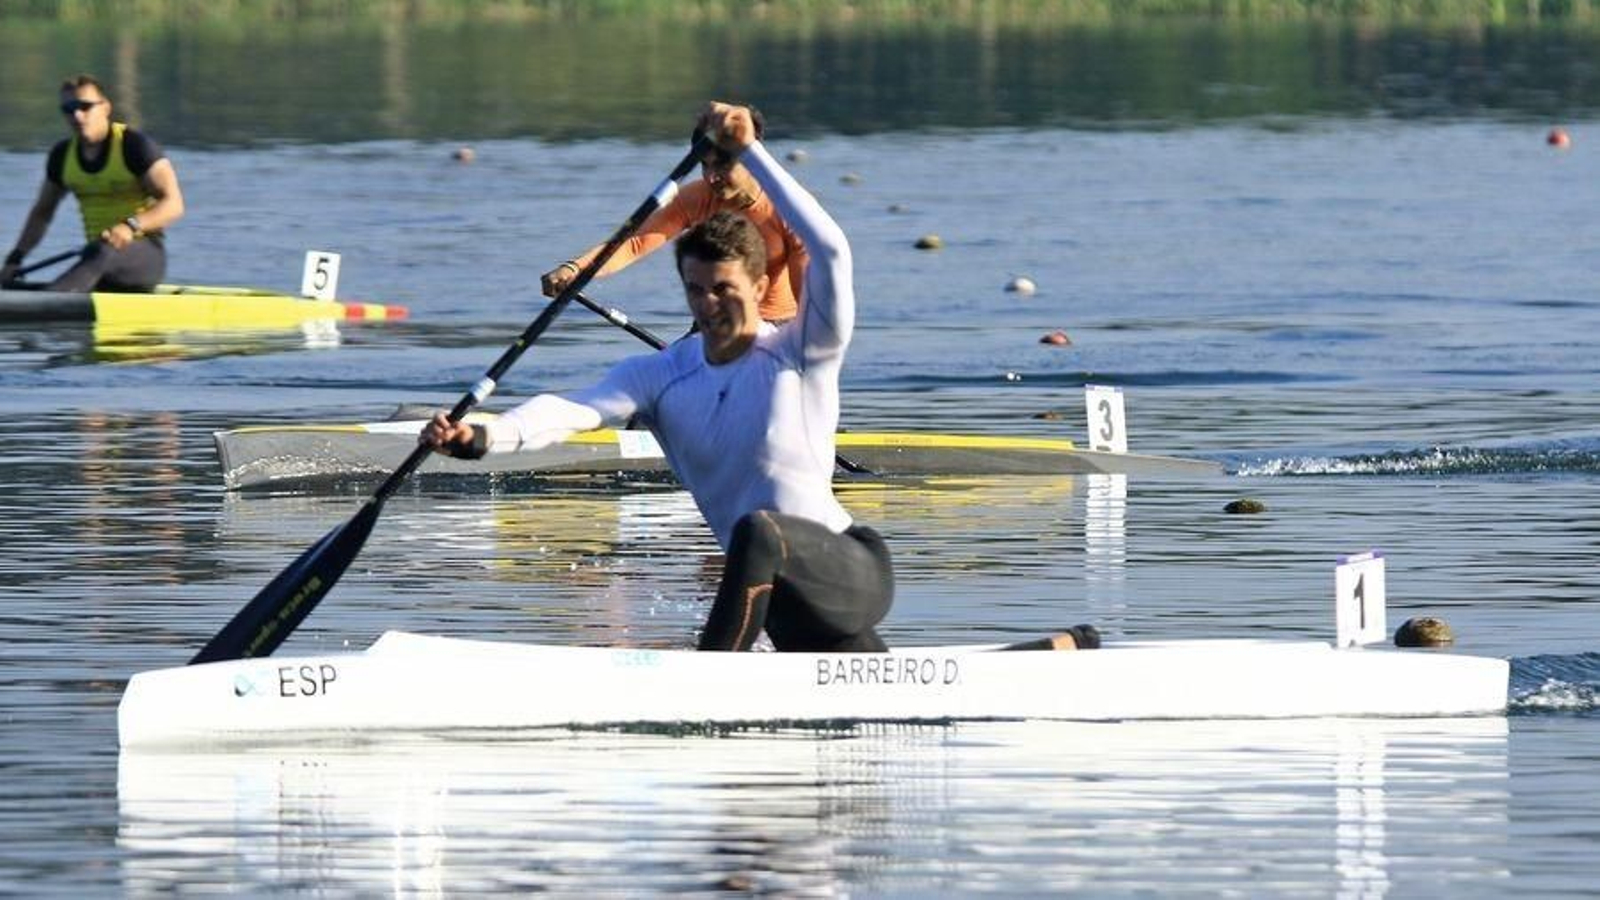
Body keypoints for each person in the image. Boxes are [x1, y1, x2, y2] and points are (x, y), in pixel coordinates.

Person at [425, 102, 892, 652]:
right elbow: (572, 409)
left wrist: (750, 151)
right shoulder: (659, 376)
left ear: (757, 283)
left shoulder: (802, 352)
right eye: (697, 290)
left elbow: (832, 251)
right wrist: (482, 436)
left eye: (725, 290)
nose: (710, 304)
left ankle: (707, 689)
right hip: (789, 612)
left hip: (851, 568)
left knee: (757, 531)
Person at [539, 105, 807, 325]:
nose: (711, 177)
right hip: (712, 323)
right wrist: (574, 269)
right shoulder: (697, 197)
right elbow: (634, 244)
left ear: (751, 160)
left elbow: (807, 302)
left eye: (722, 165)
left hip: (776, 326)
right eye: (704, 165)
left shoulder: (789, 210)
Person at [1, 75, 185, 291]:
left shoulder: (134, 146)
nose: (77, 115)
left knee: (100, 253)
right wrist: (15, 259)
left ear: (105, 107)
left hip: (144, 256)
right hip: (96, 258)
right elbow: (42, 213)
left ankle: (52, 299)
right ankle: (47, 297)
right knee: (96, 252)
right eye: (69, 109)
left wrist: (130, 226)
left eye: (85, 106)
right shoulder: (61, 156)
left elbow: (174, 204)